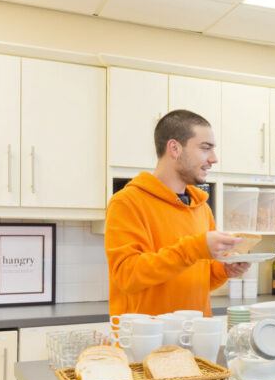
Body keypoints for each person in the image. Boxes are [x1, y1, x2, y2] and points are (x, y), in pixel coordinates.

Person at [105, 109, 249, 317]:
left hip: (196, 339)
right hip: (147, 343)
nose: (214, 158)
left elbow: (195, 280)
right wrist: (194, 248)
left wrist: (224, 270)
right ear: (174, 148)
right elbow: (127, 276)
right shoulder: (127, 203)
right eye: (205, 148)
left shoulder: (201, 208)